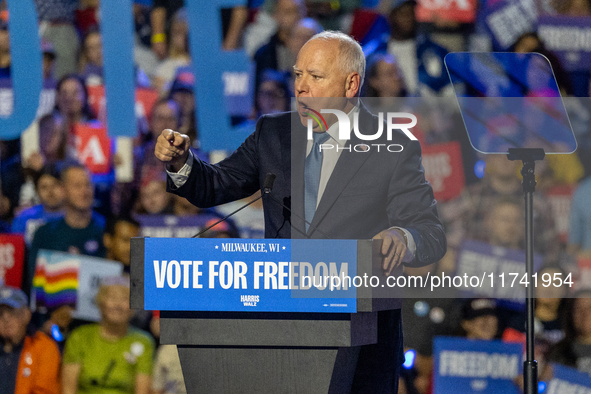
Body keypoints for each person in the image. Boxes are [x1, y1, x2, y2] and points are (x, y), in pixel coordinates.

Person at [155, 31, 446, 393]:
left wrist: (402, 237)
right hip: (281, 326)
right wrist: (184, 163)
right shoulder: (273, 133)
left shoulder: (393, 145)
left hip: (362, 335)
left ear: (351, 83)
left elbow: (429, 232)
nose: (302, 88)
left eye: (316, 77)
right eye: (298, 75)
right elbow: (217, 184)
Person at [62, 277, 154, 394]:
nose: (118, 305)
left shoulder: (144, 342)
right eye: (112, 298)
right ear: (101, 303)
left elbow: (142, 391)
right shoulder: (80, 336)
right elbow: (68, 390)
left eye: (125, 299)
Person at [0, 285, 61, 394]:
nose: (6, 319)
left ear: (27, 315)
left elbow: (44, 391)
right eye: (0, 313)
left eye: (13, 312)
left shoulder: (44, 347)